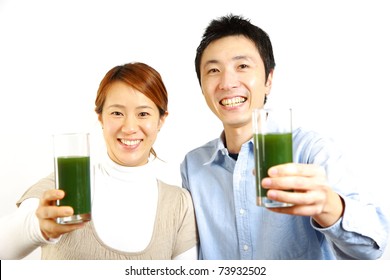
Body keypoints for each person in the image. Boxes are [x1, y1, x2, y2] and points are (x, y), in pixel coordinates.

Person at [180, 14, 389, 260]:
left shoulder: (309, 150)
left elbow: (373, 246)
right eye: (213, 70)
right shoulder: (193, 166)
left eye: (242, 66)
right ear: (202, 86)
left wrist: (328, 205)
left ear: (269, 79)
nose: (227, 82)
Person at [0, 62, 198, 260]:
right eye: (117, 113)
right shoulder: (61, 186)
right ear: (101, 118)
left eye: (143, 114)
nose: (129, 127)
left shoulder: (179, 206)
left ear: (161, 120)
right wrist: (37, 228)